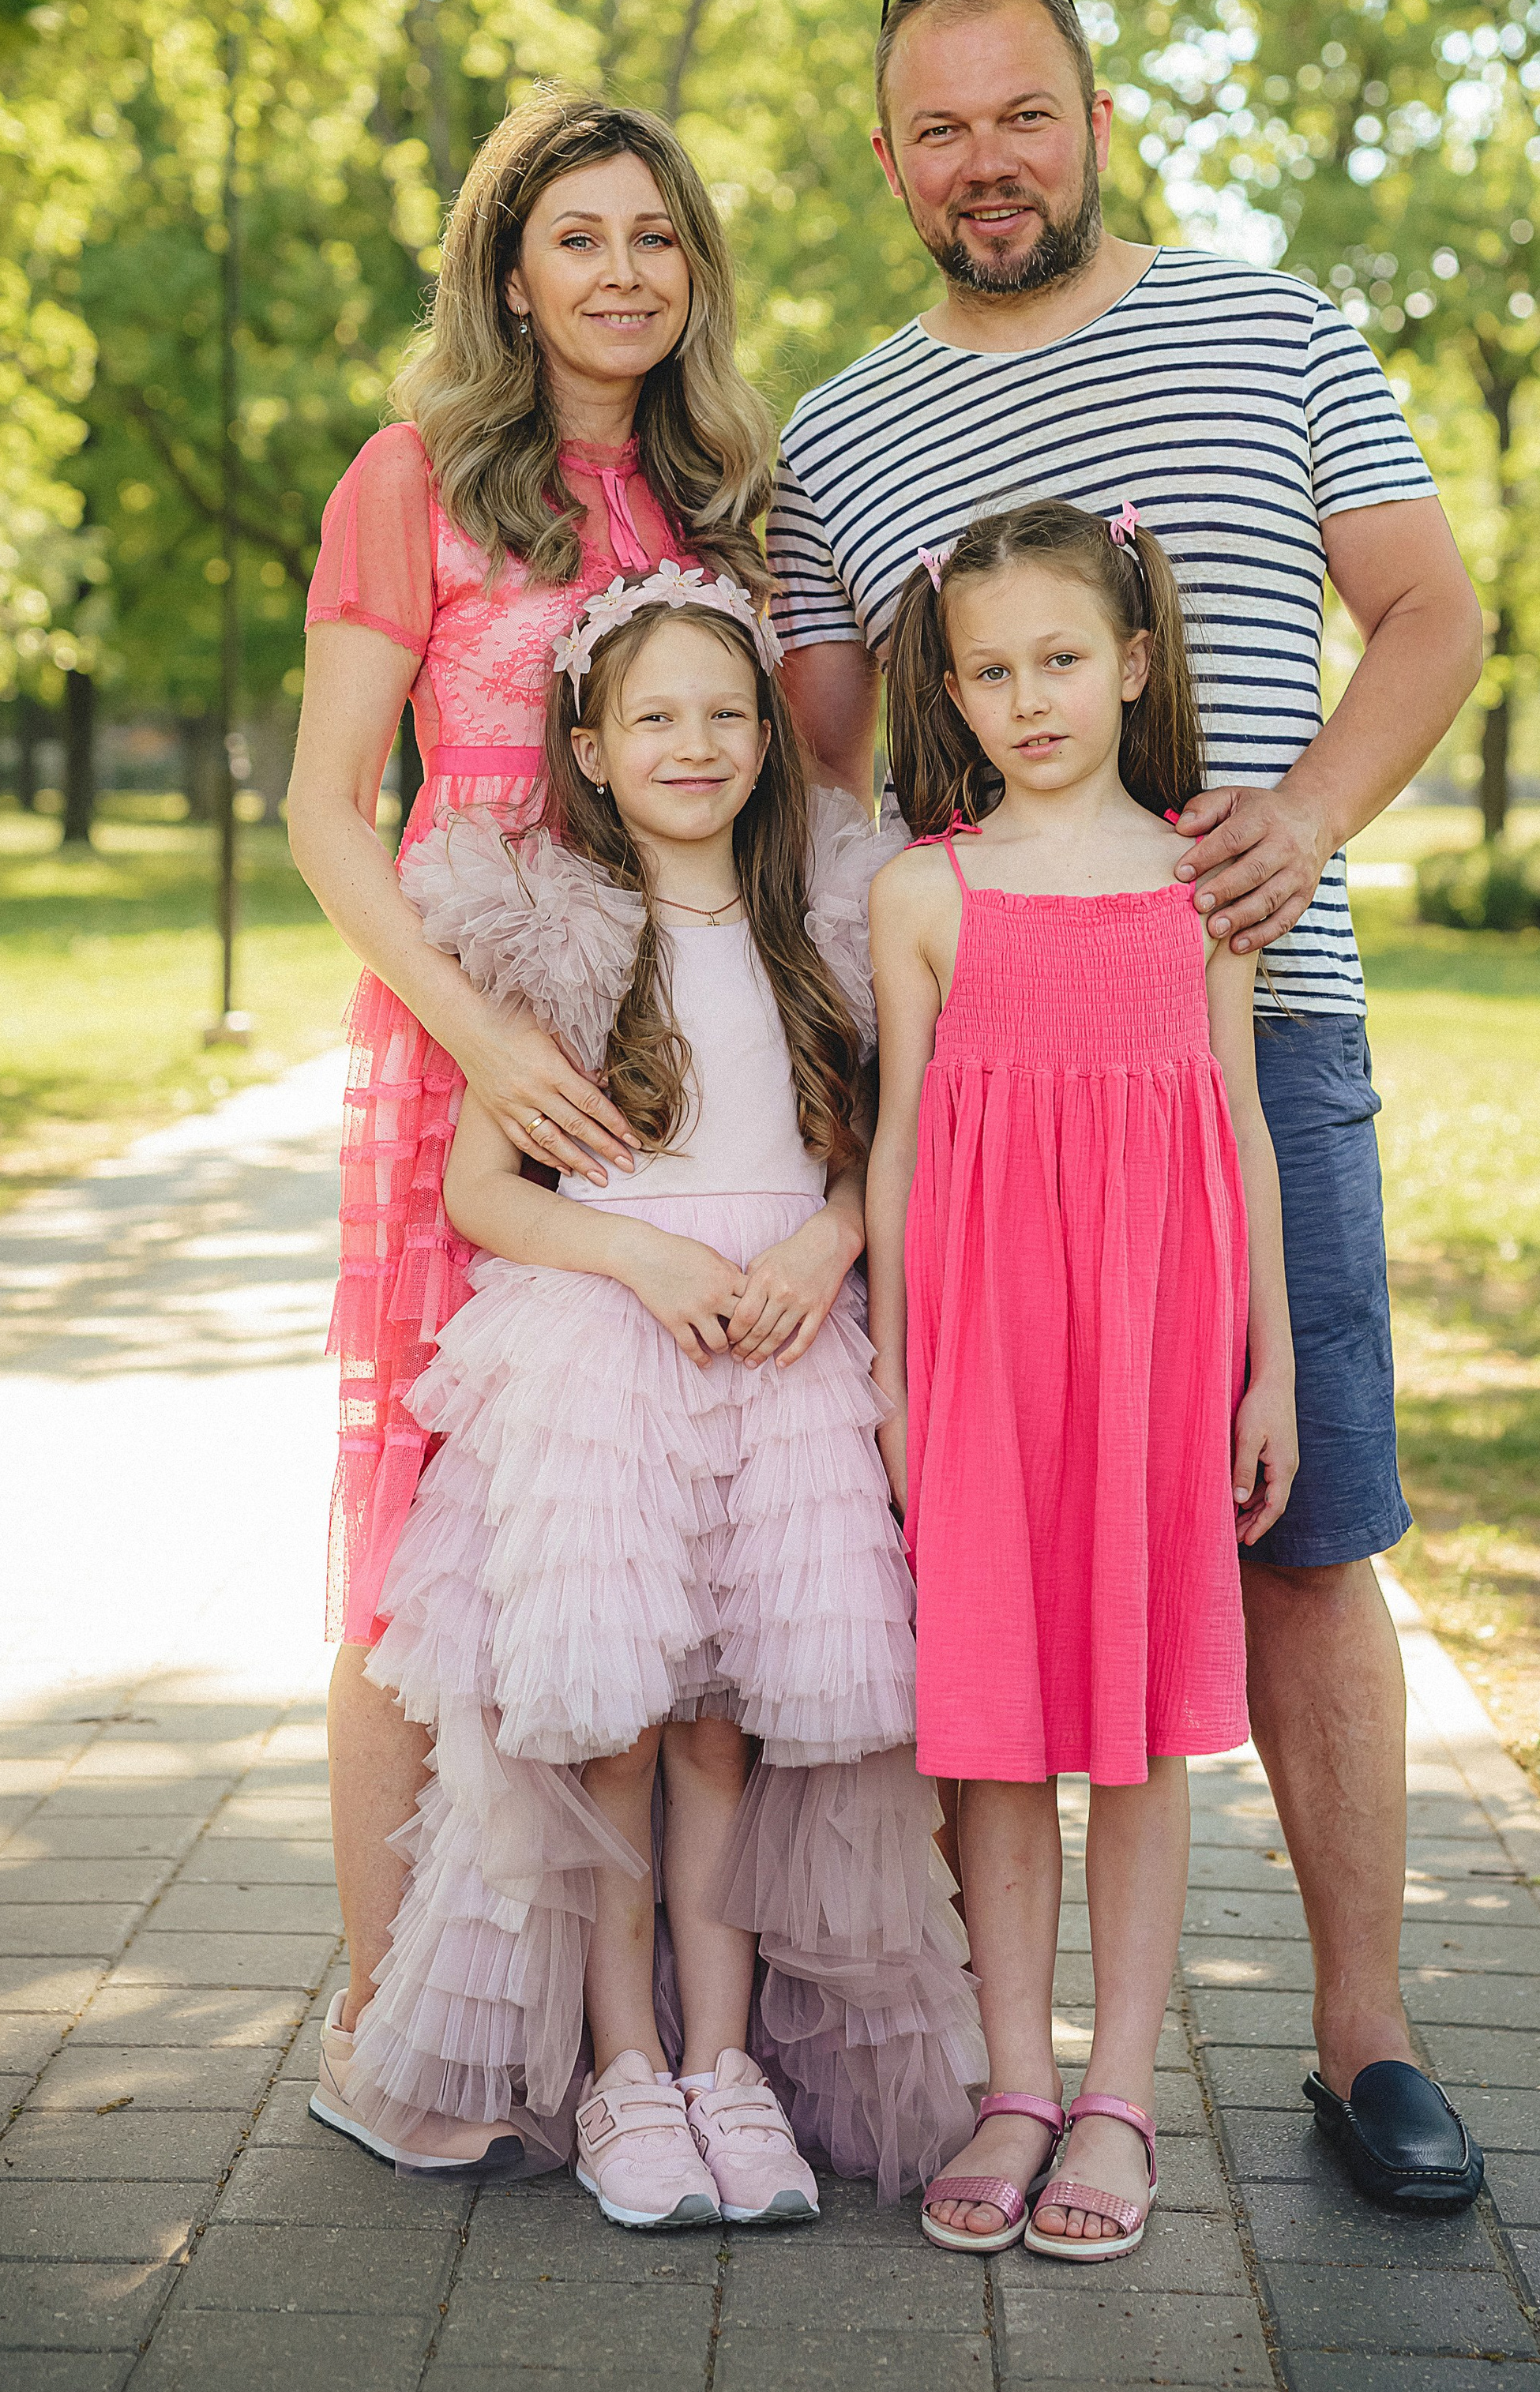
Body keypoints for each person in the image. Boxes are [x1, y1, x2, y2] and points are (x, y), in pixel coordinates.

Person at [768, 0, 1489, 2214]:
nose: (990, 158)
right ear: (890, 159)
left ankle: (1360, 2032)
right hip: (986, 1059)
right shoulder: (838, 429)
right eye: (942, 126)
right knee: (1001, 1557)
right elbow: (815, 741)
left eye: (1026, 111)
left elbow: (1434, 612)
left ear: (1094, 113)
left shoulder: (1278, 328)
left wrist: (1311, 815)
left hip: (1241, 1020)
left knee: (1302, 1519)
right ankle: (1014, 2063)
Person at [313, 562, 982, 2217]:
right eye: (654, 717)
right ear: (592, 749)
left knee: (723, 1732)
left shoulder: (826, 919)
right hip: (608, 1359)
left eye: (725, 713)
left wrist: (831, 1246)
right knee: (609, 1730)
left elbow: (868, 1151)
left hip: (777, 1361)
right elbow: (486, 1193)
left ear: (769, 736)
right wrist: (643, 1261)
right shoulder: (551, 932)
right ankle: (622, 2067)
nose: (696, 742)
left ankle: (722, 2064)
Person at [286, 92, 776, 2172]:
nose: (621, 274)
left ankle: (655, 2023)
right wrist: (480, 1041)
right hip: (468, 1049)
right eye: (578, 237)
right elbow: (326, 807)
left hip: (677, 1062)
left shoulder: (726, 498)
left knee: (654, 1528)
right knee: (428, 1538)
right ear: (512, 270)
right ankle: (397, 2012)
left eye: (655, 236)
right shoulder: (415, 480)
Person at [867, 499, 1298, 2258]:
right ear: (950, 690)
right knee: (989, 1731)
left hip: (1152, 1347)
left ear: (1129, 662)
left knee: (1127, 1726)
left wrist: (1267, 1369)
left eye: (1060, 659)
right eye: (989, 670)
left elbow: (1244, 1130)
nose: (1027, 696)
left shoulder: (1203, 882)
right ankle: (1012, 2079)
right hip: (983, 1355)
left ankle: (1119, 2092)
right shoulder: (926, 890)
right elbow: (897, 1150)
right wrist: (895, 1376)